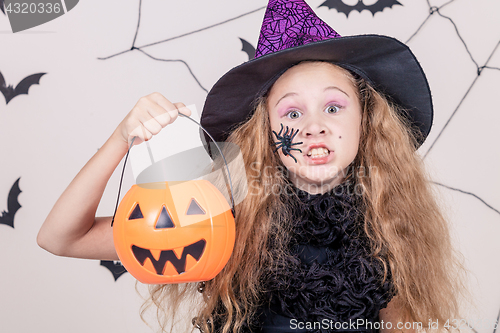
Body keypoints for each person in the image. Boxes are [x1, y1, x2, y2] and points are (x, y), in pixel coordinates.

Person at [38, 0, 466, 332]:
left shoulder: (392, 219)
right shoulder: (222, 212)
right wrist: (120, 139)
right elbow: (61, 237)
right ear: (266, 130)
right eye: (292, 114)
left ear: (365, 120)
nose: (314, 127)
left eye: (334, 106)